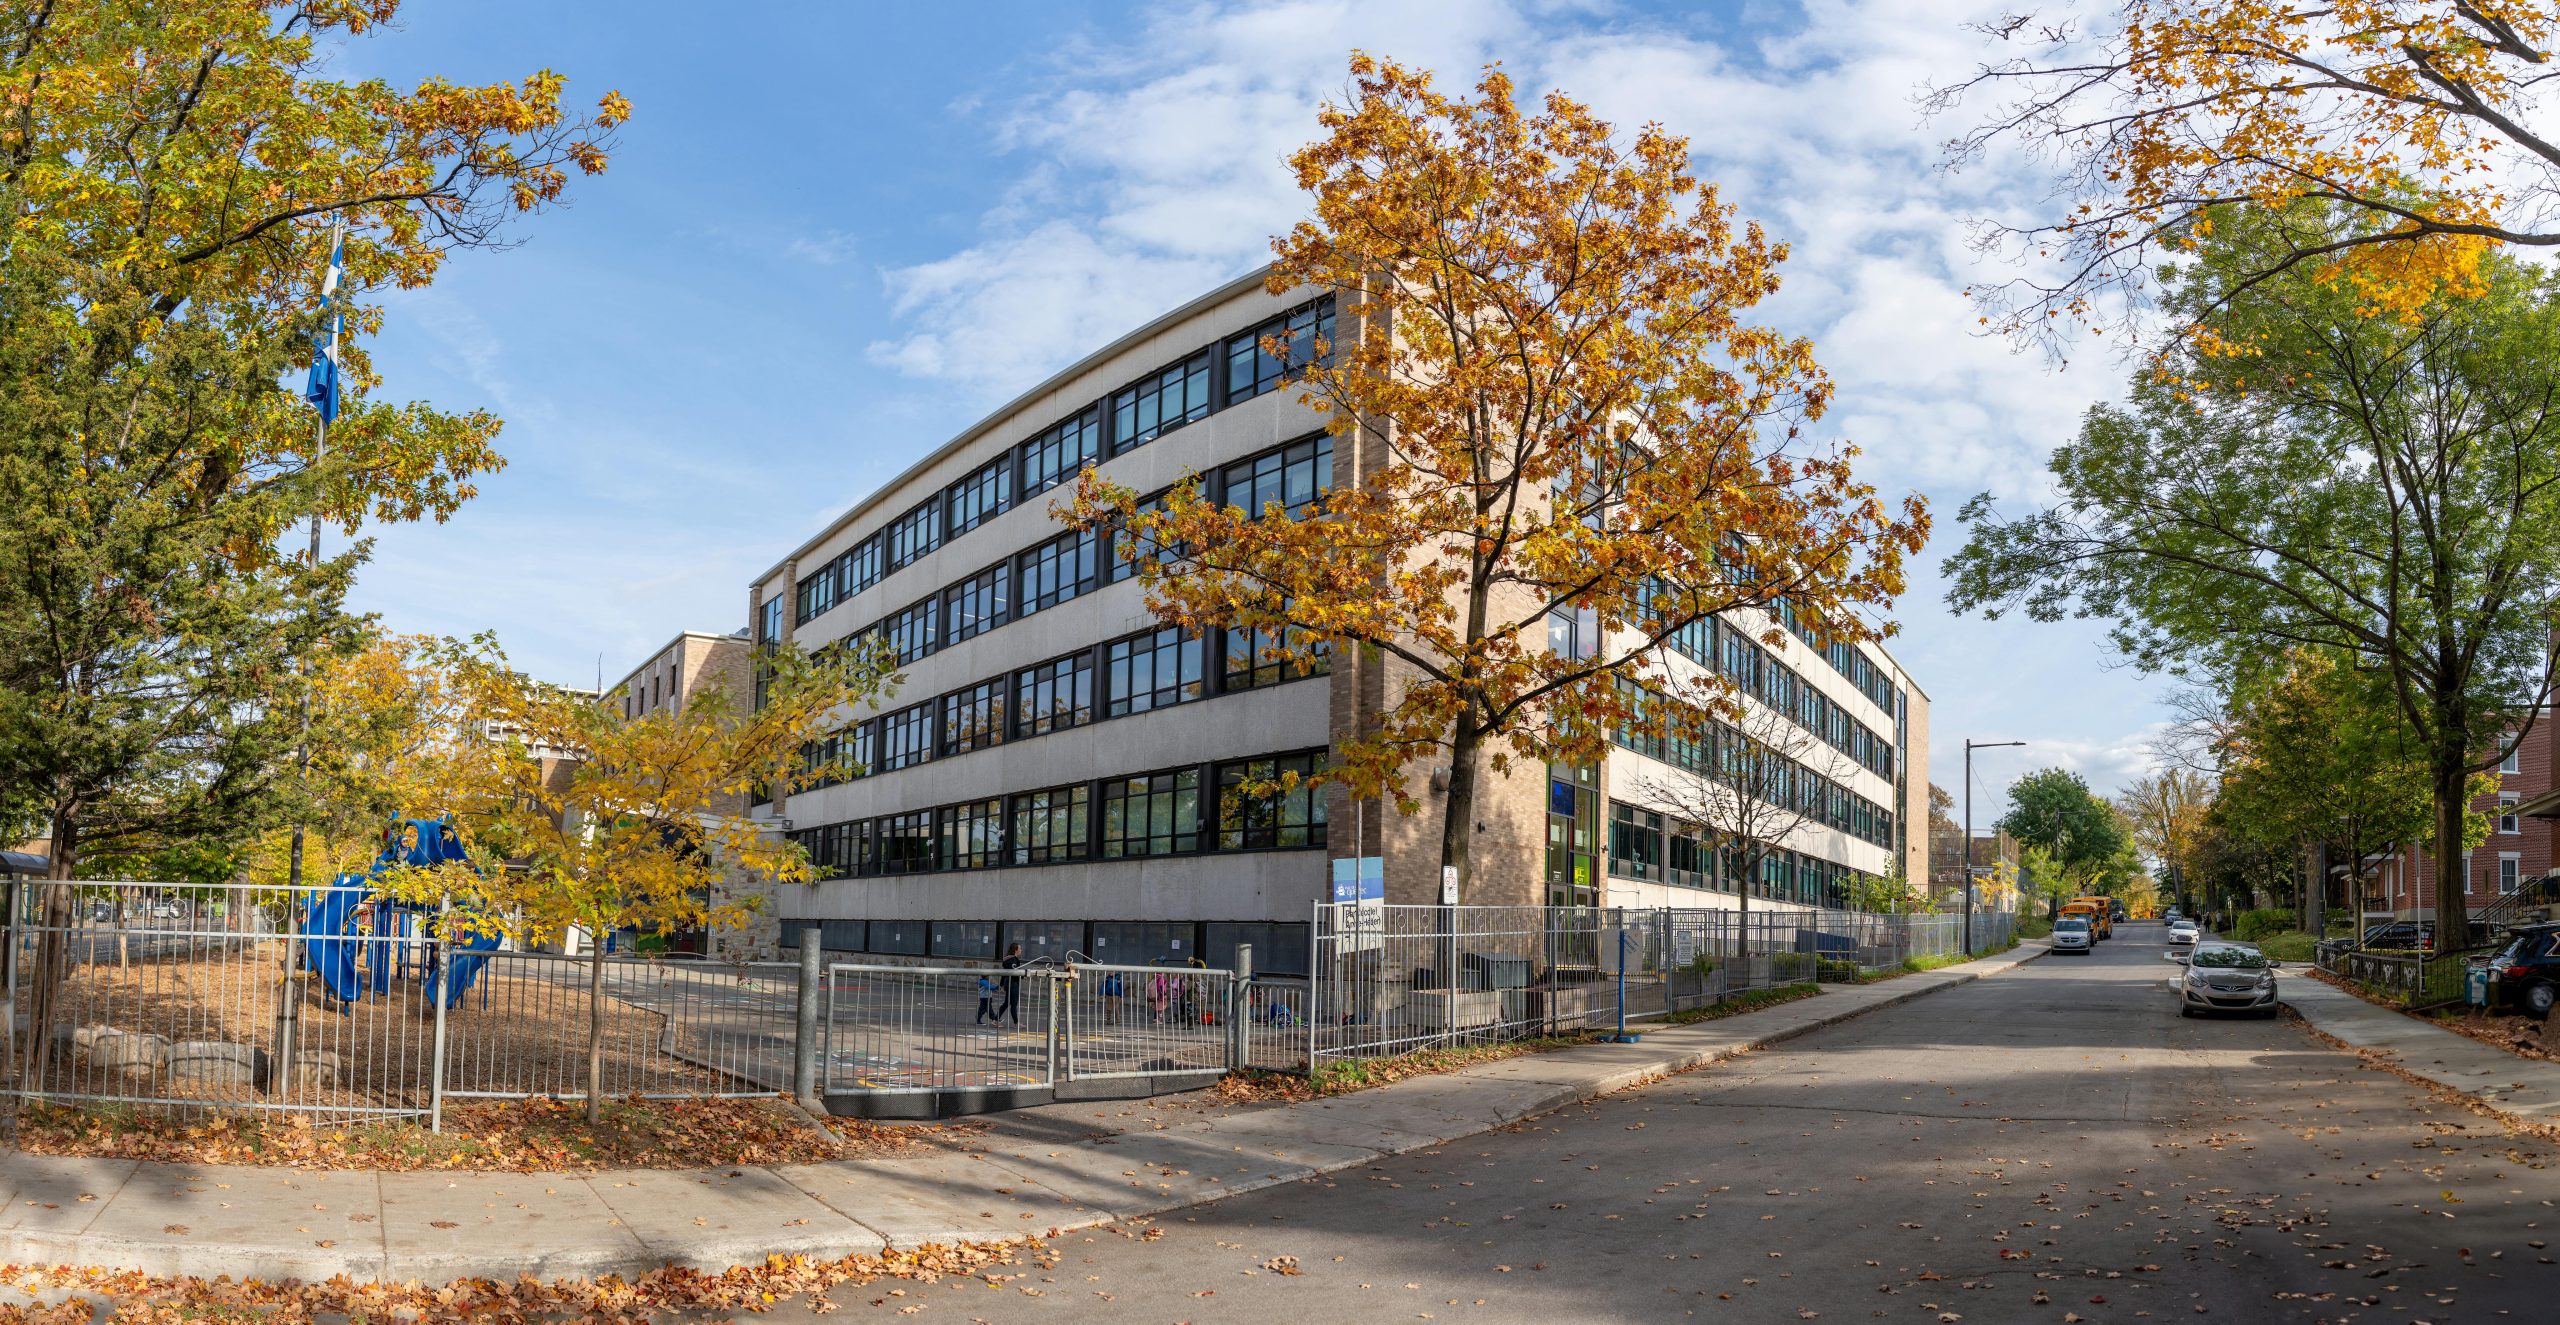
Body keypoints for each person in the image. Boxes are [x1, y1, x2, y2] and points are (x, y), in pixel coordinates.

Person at [996, 942, 1027, 1027]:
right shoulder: (1014, 960)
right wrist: (1022, 975)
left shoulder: (1008, 959)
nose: (1021, 950)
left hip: (1008, 983)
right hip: (1013, 984)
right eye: (1020, 948)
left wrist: (1001, 984)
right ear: (1015, 950)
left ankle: (996, 1019)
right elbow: (1013, 972)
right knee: (1013, 1004)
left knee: (1006, 1003)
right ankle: (1016, 1023)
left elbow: (1005, 973)